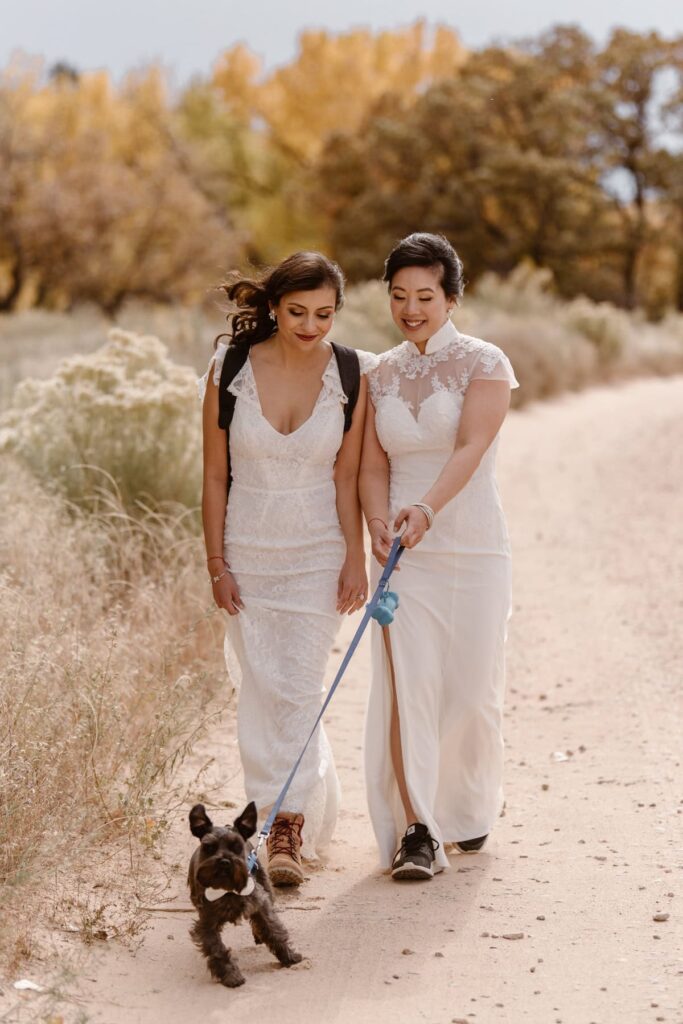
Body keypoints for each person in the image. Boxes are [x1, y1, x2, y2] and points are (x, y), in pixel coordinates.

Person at [200, 251, 373, 886]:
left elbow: (347, 474)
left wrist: (355, 555)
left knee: (299, 689)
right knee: (262, 692)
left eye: (324, 314)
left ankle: (284, 829)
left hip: (317, 555)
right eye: (298, 311)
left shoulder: (352, 372)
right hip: (246, 551)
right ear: (273, 305)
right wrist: (216, 563)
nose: (310, 326)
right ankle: (278, 816)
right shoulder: (231, 368)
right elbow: (215, 475)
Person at [359, 233, 519, 880]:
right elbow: (372, 463)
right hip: (403, 553)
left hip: (470, 541)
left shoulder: (485, 363)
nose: (410, 309)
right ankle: (418, 828)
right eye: (399, 296)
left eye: (424, 296)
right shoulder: (378, 372)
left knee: (472, 689)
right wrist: (378, 518)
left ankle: (466, 808)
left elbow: (470, 447)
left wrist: (426, 507)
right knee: (407, 687)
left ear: (451, 298)